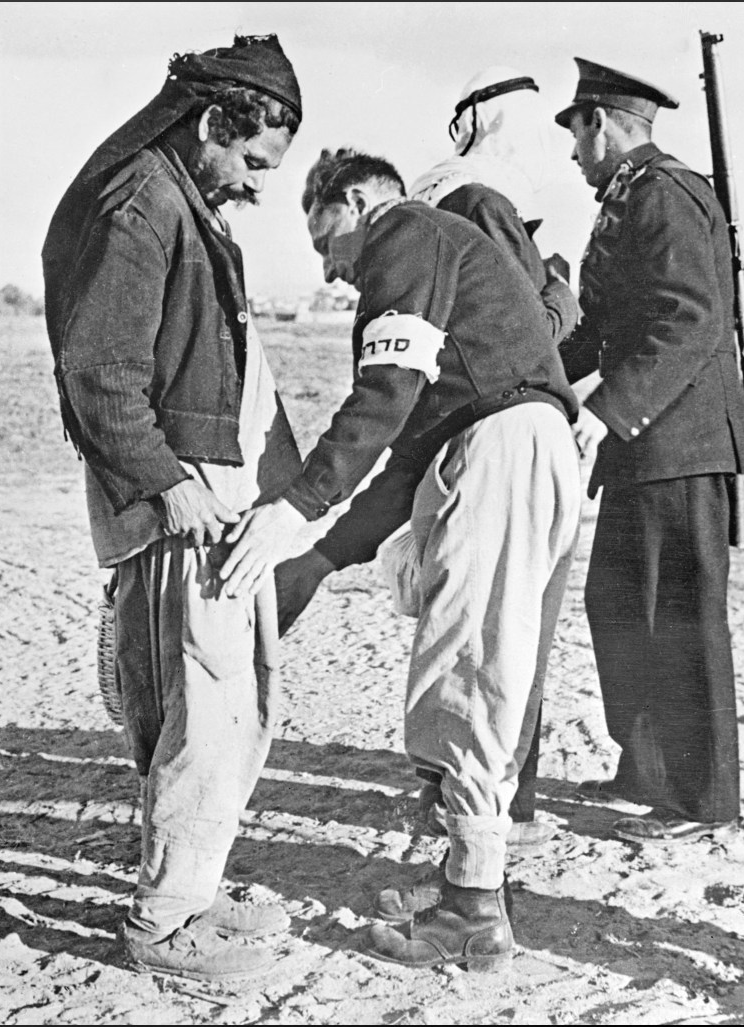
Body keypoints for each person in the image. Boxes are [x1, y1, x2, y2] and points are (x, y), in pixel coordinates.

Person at [219, 150, 581, 969]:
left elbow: (384, 392)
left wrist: (294, 507)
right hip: (522, 446)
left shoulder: (405, 232)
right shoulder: (437, 257)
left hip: (502, 450)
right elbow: (408, 458)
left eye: (328, 246)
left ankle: (475, 913)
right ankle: (468, 881)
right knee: (490, 668)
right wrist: (320, 557)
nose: (334, 271)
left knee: (467, 671)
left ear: (355, 203)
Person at [42, 34, 304, 980]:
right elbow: (99, 373)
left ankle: (192, 885)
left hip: (203, 487)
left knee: (231, 695)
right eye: (252, 160)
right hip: (175, 497)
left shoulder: (181, 199)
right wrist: (170, 482)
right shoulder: (144, 201)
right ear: (211, 123)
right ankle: (165, 919)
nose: (258, 184)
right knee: (198, 700)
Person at [554, 59, 744, 843]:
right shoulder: (630, 196)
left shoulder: (664, 192)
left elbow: (688, 318)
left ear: (600, 123)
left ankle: (701, 798)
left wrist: (606, 410)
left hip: (678, 443)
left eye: (575, 134)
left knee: (681, 616)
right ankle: (648, 769)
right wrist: (522, 370)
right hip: (650, 445)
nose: (573, 155)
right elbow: (599, 323)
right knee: (620, 601)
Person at [402, 65, 579, 854]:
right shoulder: (482, 201)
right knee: (494, 641)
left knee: (468, 633)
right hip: (500, 439)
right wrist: (566, 289)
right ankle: (478, 830)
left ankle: (467, 812)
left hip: (465, 440)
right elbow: (527, 328)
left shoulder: (451, 196)